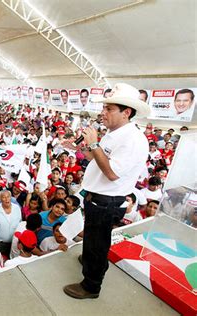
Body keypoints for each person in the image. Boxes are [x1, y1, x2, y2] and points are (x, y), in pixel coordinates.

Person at [63, 83, 150, 299]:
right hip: (97, 198)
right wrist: (82, 148)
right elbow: (98, 159)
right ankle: (93, 262)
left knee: (97, 242)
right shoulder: (115, 133)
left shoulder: (134, 140)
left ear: (126, 112)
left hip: (107, 201)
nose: (103, 113)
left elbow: (111, 173)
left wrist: (93, 144)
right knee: (93, 238)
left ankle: (91, 286)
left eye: (109, 109)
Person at [0, 190, 22, 257]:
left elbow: (20, 222)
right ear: (0, 199)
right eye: (4, 197)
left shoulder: (17, 208)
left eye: (8, 197)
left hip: (14, 242)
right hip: (0, 243)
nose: (6, 199)